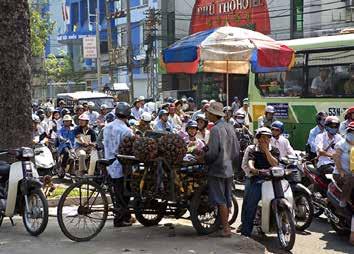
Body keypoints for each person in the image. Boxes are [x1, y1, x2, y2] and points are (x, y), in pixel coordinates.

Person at [204, 102, 240, 237]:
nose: (207, 114)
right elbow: (236, 149)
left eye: (208, 113)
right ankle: (224, 225)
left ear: (214, 114)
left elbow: (212, 153)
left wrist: (204, 159)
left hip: (218, 169)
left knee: (220, 200)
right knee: (226, 197)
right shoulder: (230, 127)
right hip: (229, 168)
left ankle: (226, 229)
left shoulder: (215, 129)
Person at [241, 127, 280, 237]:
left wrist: (267, 151)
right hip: (258, 179)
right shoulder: (253, 150)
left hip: (273, 180)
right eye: (262, 138)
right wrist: (254, 170)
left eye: (267, 138)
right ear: (258, 138)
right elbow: (250, 163)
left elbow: (275, 164)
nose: (264, 140)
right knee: (251, 204)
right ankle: (245, 232)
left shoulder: (275, 150)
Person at [103, 102, 134, 227]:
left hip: (108, 163)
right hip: (121, 166)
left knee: (117, 192)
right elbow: (130, 149)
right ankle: (120, 218)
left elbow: (101, 143)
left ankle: (124, 216)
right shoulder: (126, 130)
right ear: (128, 115)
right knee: (124, 193)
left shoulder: (107, 127)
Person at [333, 121, 354, 245]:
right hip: (341, 174)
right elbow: (336, 157)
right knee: (350, 178)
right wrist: (340, 171)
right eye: (351, 132)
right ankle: (343, 201)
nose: (353, 134)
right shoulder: (342, 144)